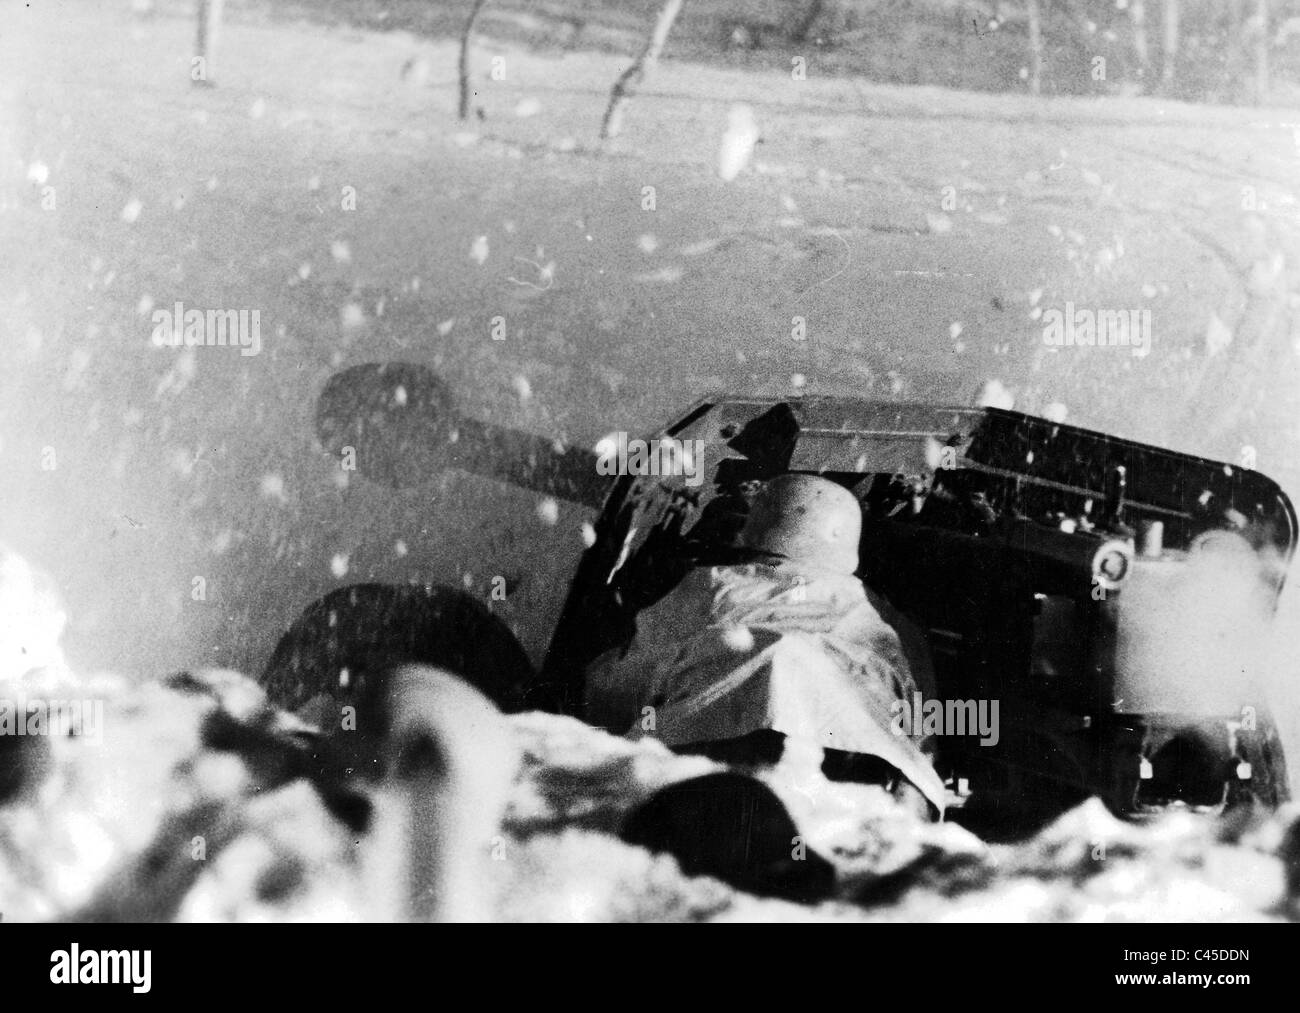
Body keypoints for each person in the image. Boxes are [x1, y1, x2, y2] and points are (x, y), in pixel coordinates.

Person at [585, 473, 946, 818]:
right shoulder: (886, 617)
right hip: (862, 758)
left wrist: (596, 674)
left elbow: (627, 687)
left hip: (712, 744)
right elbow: (921, 723)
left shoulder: (712, 583)